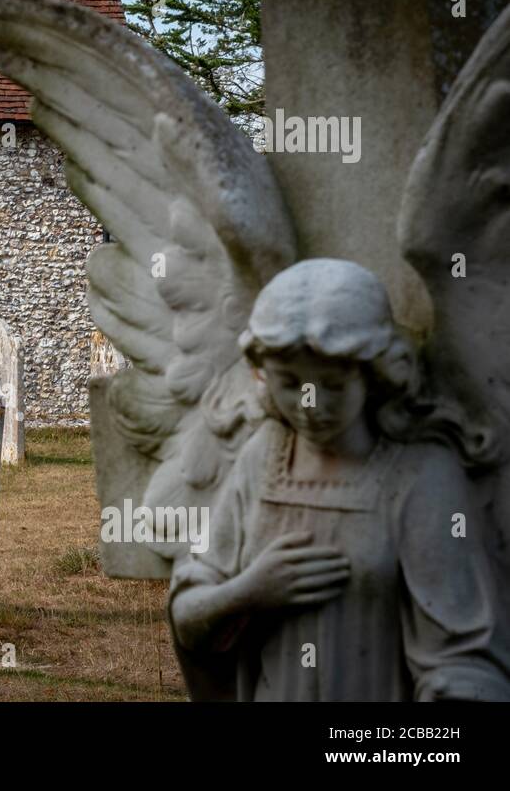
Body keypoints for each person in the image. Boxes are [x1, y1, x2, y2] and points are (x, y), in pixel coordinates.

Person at [169, 258, 508, 700]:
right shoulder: (263, 456)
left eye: (332, 384)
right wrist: (246, 592)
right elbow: (190, 608)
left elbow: (462, 656)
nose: (310, 404)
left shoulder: (419, 475)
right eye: (290, 383)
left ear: (374, 374)